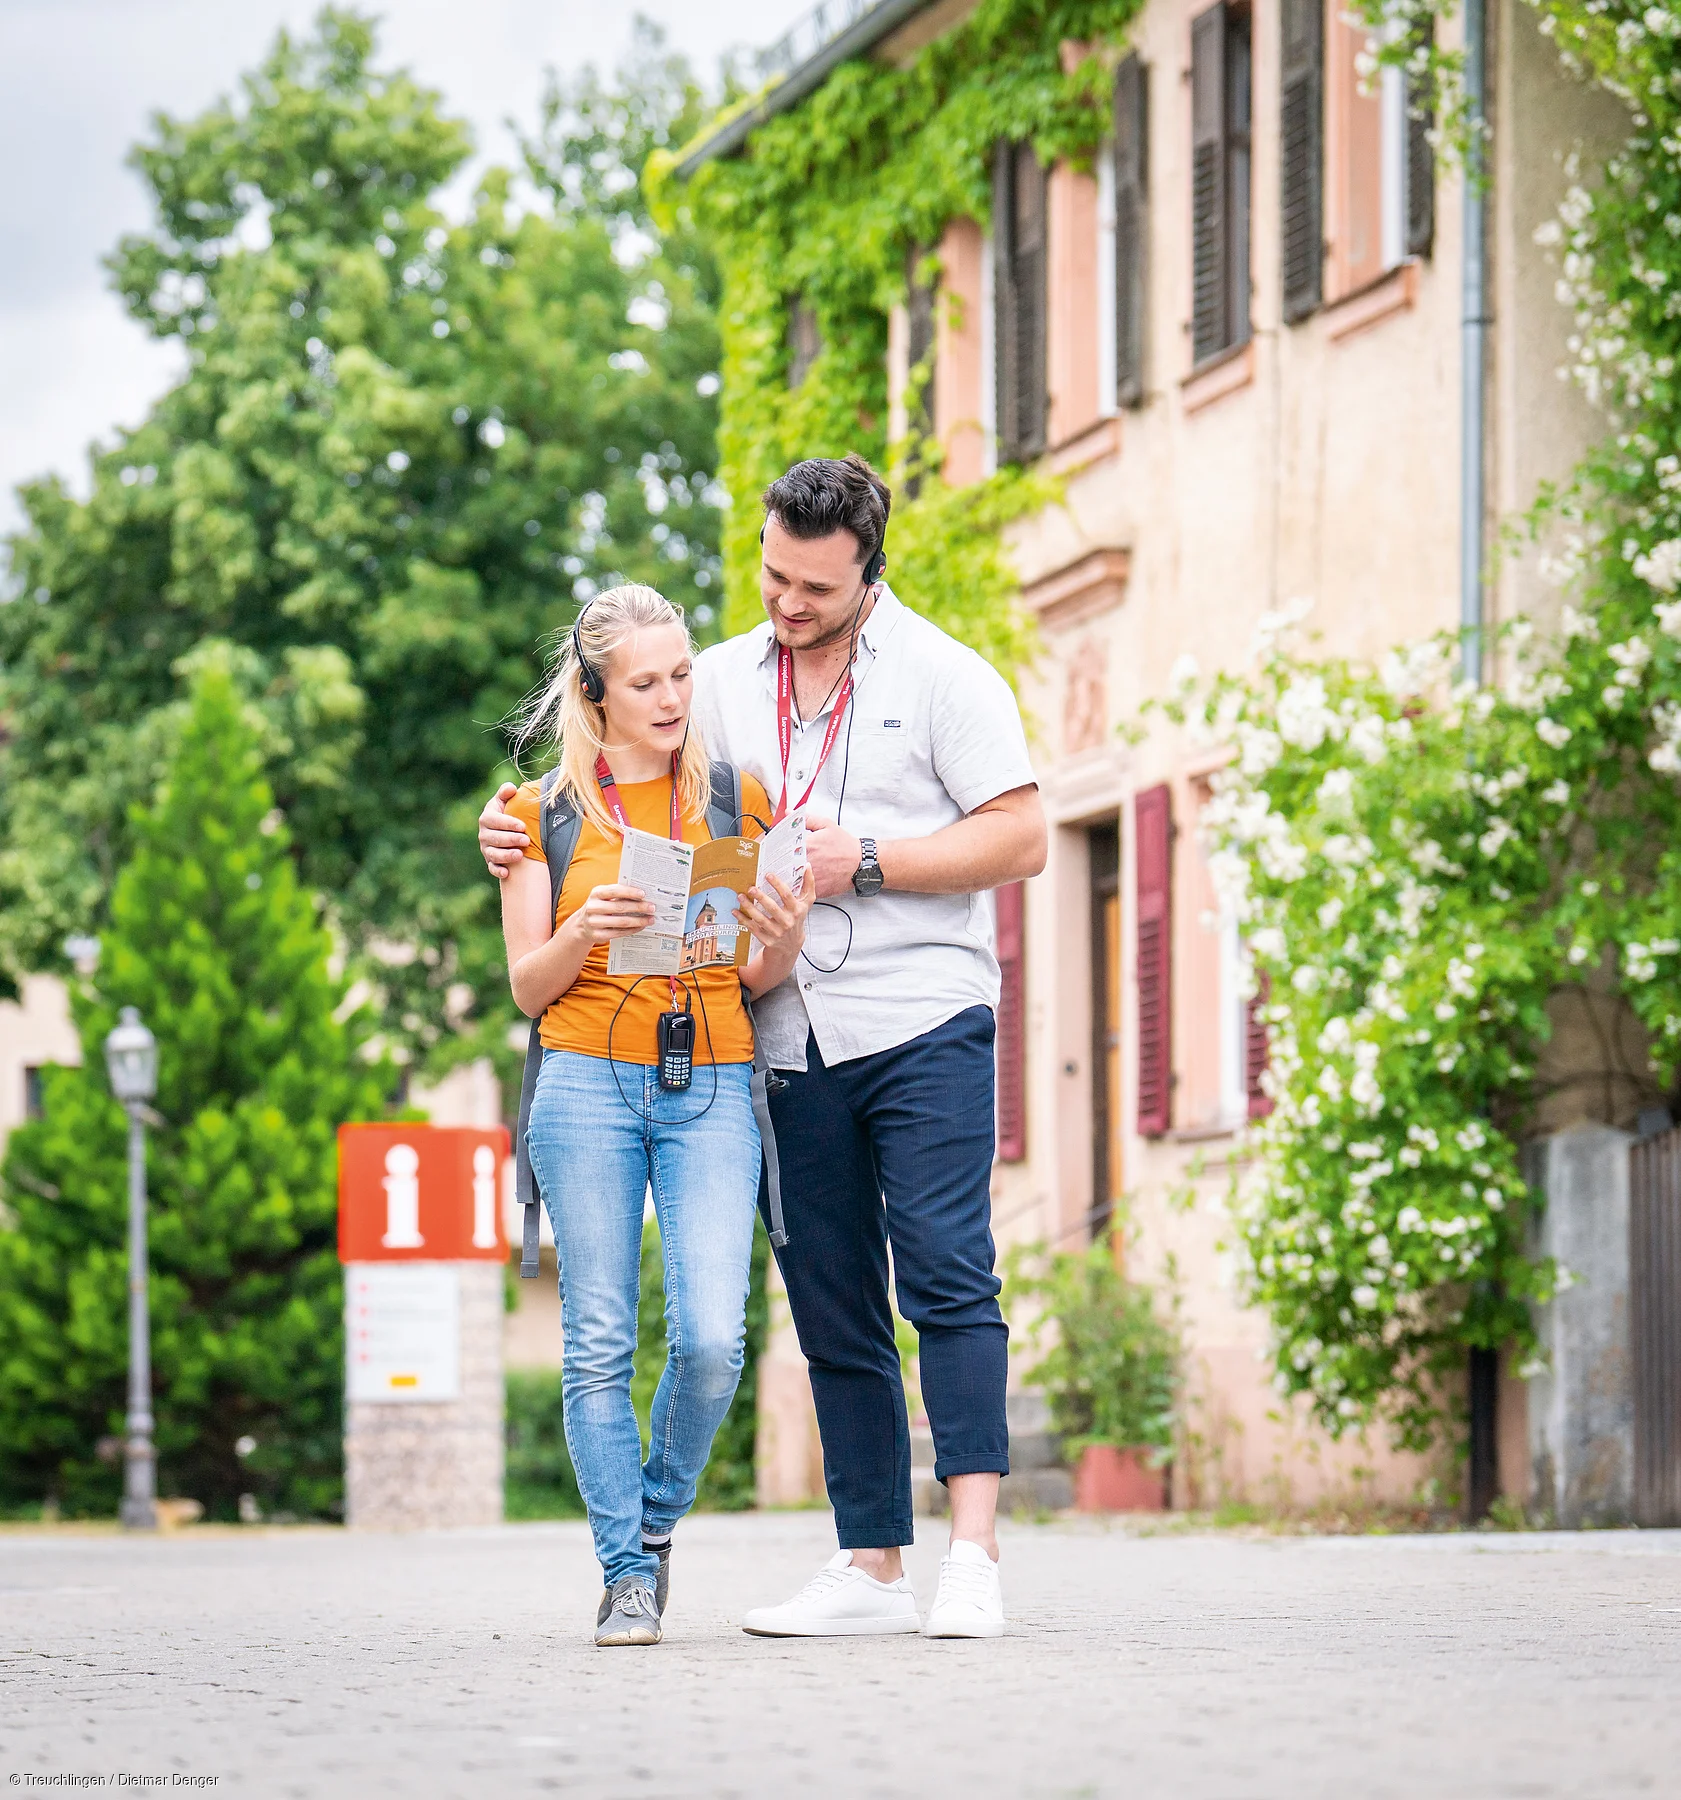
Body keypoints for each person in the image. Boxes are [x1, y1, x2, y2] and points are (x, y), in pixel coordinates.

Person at [482, 456, 1045, 1639]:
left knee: (944, 1273)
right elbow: (618, 762)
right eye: (774, 577)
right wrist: (518, 823)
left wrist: (869, 863)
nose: (787, 606)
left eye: (814, 591)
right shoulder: (726, 680)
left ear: (866, 576)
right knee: (832, 1301)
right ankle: (868, 1563)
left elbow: (1025, 835)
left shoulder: (946, 675)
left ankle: (974, 1556)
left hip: (919, 1014)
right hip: (775, 1037)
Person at [498, 582, 811, 1648]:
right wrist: (585, 925)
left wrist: (784, 926)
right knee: (595, 1342)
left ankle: (656, 1522)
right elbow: (527, 990)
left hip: (712, 1077)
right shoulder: (537, 814)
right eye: (647, 681)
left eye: (682, 674)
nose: (674, 695)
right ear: (597, 692)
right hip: (583, 1080)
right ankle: (624, 1572)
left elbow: (762, 972)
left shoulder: (738, 800)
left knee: (715, 1339)